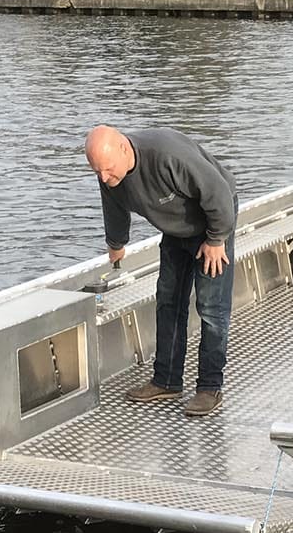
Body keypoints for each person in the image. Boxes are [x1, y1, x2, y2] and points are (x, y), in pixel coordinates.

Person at [85, 124, 237, 417]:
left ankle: (209, 387)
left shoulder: (167, 156)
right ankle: (167, 381)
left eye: (106, 170)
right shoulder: (109, 174)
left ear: (123, 149)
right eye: (97, 172)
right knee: (168, 300)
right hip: (175, 229)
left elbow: (217, 190)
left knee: (211, 306)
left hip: (214, 219)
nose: (103, 178)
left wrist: (216, 239)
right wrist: (116, 243)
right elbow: (114, 208)